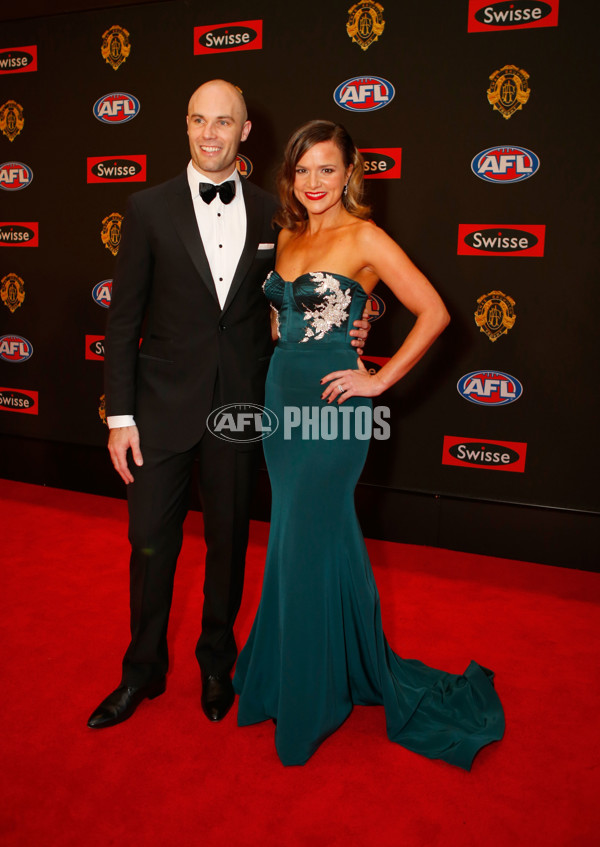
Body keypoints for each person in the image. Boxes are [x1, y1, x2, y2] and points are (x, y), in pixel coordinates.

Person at [87, 81, 370, 730]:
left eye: (224, 122)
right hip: (157, 410)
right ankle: (142, 671)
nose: (209, 133)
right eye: (197, 120)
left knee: (228, 541)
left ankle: (217, 662)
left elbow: (295, 304)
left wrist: (343, 331)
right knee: (148, 541)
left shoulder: (279, 212)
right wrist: (120, 417)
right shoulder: (147, 208)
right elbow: (122, 319)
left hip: (241, 406)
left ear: (246, 132)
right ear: (186, 125)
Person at [233, 120, 505, 768]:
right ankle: (321, 667)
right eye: (303, 170)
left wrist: (377, 376)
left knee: (303, 537)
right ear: (290, 177)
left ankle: (309, 697)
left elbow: (435, 311)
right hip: (282, 403)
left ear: (349, 173)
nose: (314, 182)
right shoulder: (291, 231)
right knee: (302, 540)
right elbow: (289, 313)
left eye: (327, 169)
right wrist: (325, 325)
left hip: (335, 411)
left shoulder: (366, 236)